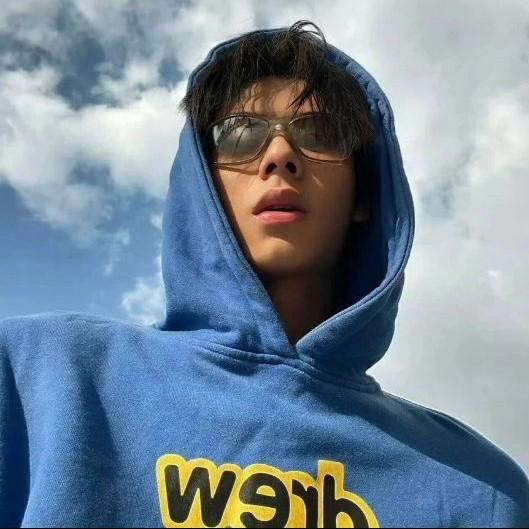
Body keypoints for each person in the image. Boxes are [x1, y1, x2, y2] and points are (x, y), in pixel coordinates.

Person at [0, 20, 528, 528]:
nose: (278, 156)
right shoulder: (38, 379)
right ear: (201, 181)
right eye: (239, 133)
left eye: (319, 132)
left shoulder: (481, 489)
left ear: (364, 194)